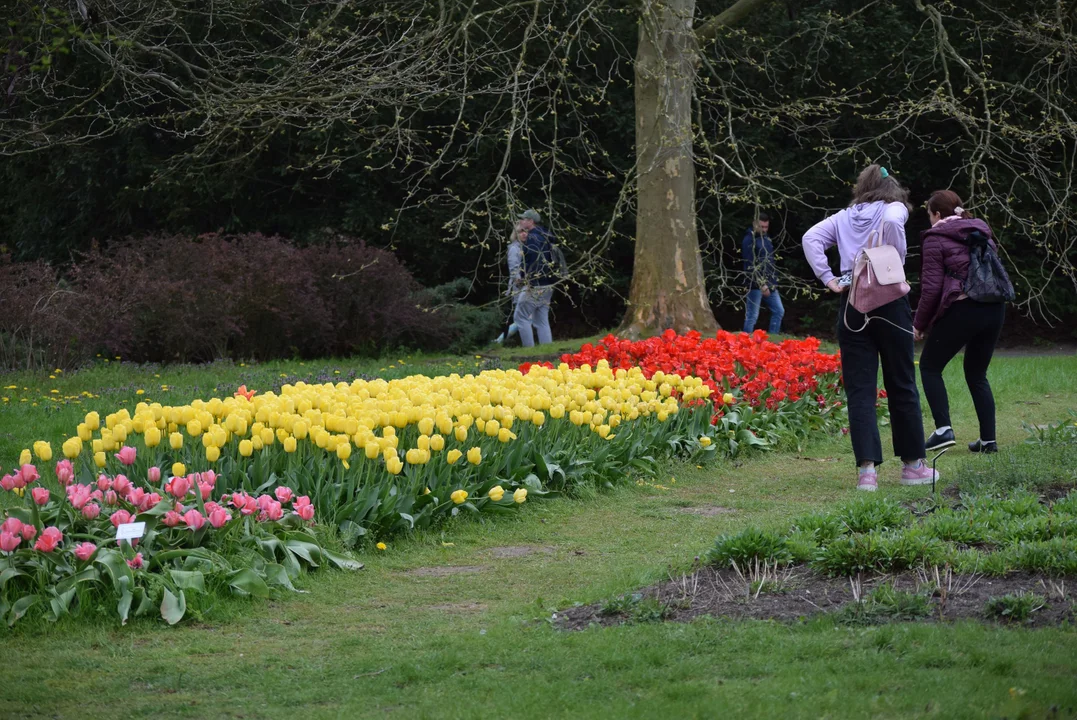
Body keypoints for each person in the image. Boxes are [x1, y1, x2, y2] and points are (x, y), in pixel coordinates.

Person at [801, 164, 937, 491]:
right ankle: (913, 466)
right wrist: (895, 256)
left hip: (851, 301)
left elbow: (810, 238)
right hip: (889, 301)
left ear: (860, 187)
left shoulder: (842, 217)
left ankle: (867, 472)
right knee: (901, 381)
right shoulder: (893, 208)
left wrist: (828, 278)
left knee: (860, 388)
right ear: (891, 188)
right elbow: (892, 222)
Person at [914, 190, 1006, 455]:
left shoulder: (935, 238)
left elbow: (931, 288)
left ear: (937, 214)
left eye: (930, 215)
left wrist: (918, 324)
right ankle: (988, 441)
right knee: (977, 374)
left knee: (930, 366)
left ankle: (943, 430)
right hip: (994, 307)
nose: (929, 221)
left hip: (965, 308)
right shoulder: (980, 230)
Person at [513, 208, 556, 347]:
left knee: (520, 317)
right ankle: (547, 348)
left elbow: (532, 260)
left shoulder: (532, 238)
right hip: (549, 283)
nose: (521, 221)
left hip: (535, 284)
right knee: (541, 319)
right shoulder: (545, 235)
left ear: (530, 221)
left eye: (524, 219)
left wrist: (525, 278)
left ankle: (529, 349)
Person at [741, 212, 784, 334]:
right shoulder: (749, 240)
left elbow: (770, 261)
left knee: (779, 311)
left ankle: (772, 338)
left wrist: (771, 282)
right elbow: (750, 265)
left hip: (770, 281)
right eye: (761, 227)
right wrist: (761, 283)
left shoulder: (766, 238)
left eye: (766, 227)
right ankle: (745, 342)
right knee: (752, 316)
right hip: (755, 284)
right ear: (755, 224)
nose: (764, 229)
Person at [495, 223, 525, 344]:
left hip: (529, 286)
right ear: (516, 234)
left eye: (525, 231)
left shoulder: (526, 247)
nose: (524, 234)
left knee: (526, 318)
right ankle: (500, 340)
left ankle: (500, 340)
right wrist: (520, 281)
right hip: (520, 287)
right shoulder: (514, 248)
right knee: (524, 318)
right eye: (521, 231)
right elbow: (514, 268)